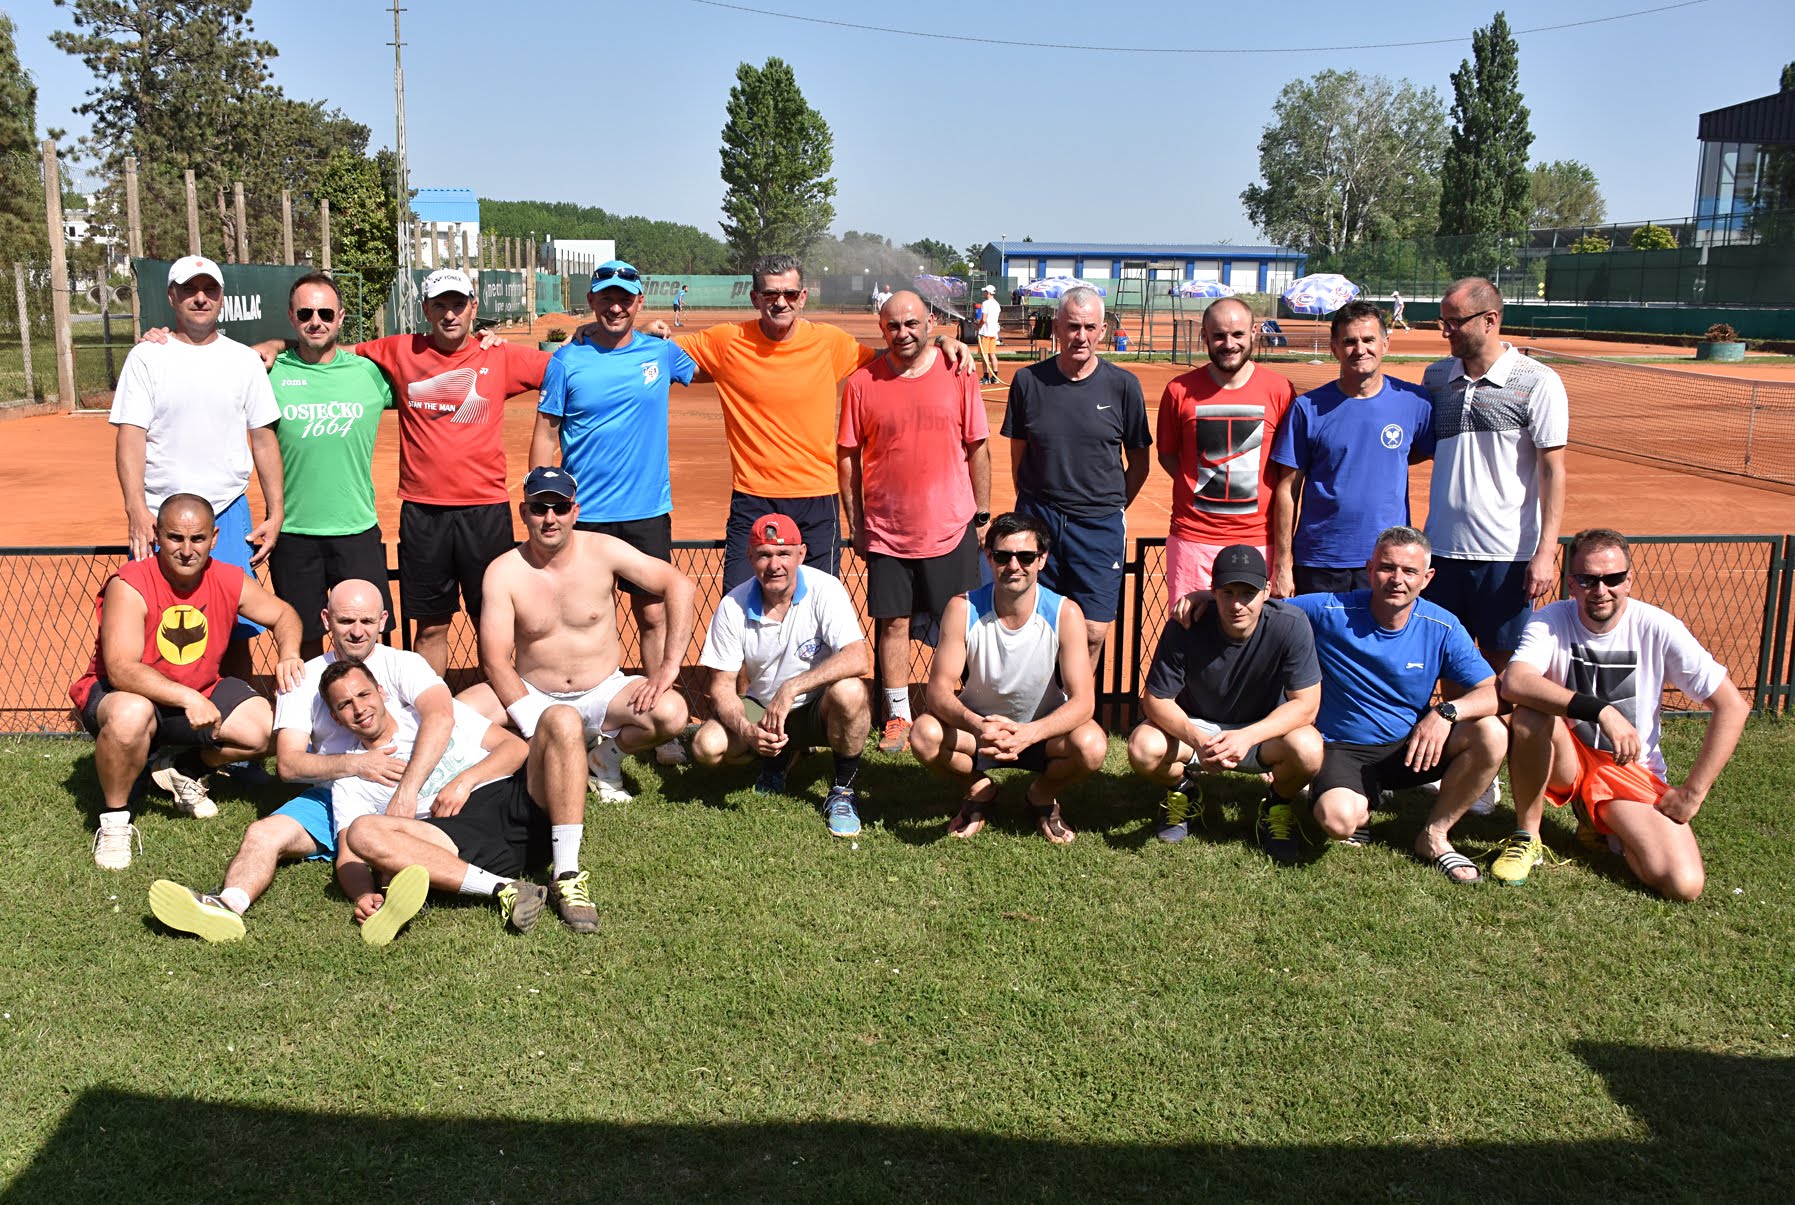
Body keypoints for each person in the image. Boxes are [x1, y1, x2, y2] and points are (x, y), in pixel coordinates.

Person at [148, 578, 456, 941]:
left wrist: (407, 791)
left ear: (383, 621)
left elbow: (441, 716)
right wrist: (359, 764)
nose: (357, 632)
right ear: (326, 620)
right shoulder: (302, 678)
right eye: (346, 621)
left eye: (367, 621)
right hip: (334, 793)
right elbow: (289, 765)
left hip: (407, 782)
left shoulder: (406, 664)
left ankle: (392, 897)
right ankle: (226, 907)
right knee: (263, 833)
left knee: (403, 843)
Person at [647, 255, 970, 590]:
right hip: (753, 497)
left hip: (817, 499)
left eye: (789, 293)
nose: (781, 302)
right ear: (755, 298)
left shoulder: (829, 342)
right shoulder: (727, 341)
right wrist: (645, 333)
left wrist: (939, 343)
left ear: (802, 297)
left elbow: (890, 358)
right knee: (739, 604)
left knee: (818, 605)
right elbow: (655, 355)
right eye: (770, 294)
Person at [1497, 528, 1748, 897]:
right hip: (1567, 757)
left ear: (1629, 580)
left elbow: (1733, 707)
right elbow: (1515, 682)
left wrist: (1692, 794)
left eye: (1612, 579)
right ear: (1571, 583)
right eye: (1587, 579)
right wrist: (1601, 711)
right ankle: (1527, 836)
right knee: (1531, 714)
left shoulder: (1658, 627)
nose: (1600, 590)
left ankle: (1602, 823)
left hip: (1625, 769)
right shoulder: (1551, 619)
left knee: (1683, 884)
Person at [70, 494, 303, 869]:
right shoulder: (130, 584)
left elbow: (284, 615)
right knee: (132, 713)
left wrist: (289, 653)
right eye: (175, 537)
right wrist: (188, 698)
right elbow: (121, 669)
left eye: (197, 539)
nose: (186, 550)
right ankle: (115, 820)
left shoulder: (228, 579)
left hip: (198, 689)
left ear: (214, 538)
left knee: (271, 730)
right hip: (123, 694)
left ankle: (184, 767)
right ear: (157, 535)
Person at [1272, 525, 1507, 882]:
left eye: (1410, 571)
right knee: (1338, 821)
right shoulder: (1330, 609)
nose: (1397, 579)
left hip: (1413, 747)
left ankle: (1434, 835)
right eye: (1387, 567)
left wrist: (1446, 712)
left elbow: (1496, 692)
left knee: (1491, 732)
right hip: (1342, 749)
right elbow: (1260, 609)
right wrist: (1205, 599)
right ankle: (1359, 803)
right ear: (1370, 570)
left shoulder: (1441, 625)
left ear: (1427, 578)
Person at [531, 261, 697, 765]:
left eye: (625, 298)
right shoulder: (567, 361)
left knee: (652, 615)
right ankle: (579, 721)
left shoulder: (662, 352)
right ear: (592, 301)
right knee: (580, 617)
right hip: (584, 514)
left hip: (645, 511)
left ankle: (658, 721)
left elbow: (713, 366)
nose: (616, 306)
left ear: (639, 301)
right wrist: (541, 500)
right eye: (606, 297)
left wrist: (664, 333)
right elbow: (546, 431)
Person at [464, 466, 697, 804]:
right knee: (456, 717)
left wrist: (669, 667)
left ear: (575, 511)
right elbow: (495, 661)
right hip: (534, 692)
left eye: (560, 508)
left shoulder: (604, 550)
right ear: (524, 512)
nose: (550, 518)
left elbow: (679, 585)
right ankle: (517, 758)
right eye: (539, 508)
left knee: (672, 713)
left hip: (604, 692)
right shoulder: (503, 571)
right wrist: (532, 724)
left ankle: (605, 759)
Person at [327, 659, 598, 944]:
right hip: (453, 841)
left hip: (514, 802)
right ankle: (504, 888)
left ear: (381, 692)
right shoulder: (351, 778)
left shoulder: (435, 714)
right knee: (361, 831)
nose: (359, 708)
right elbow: (349, 855)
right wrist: (363, 895)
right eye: (345, 704)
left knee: (561, 716)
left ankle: (566, 874)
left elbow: (515, 748)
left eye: (364, 694)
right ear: (335, 717)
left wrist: (465, 781)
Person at [838, 290, 990, 756]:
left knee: (961, 625)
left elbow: (977, 446)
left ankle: (967, 710)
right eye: (893, 325)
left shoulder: (958, 370)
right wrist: (857, 524)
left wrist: (982, 514)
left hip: (951, 525)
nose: (902, 333)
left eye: (911, 323)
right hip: (888, 530)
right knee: (893, 625)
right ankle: (899, 717)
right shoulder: (861, 383)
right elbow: (848, 458)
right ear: (881, 329)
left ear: (931, 323)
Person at [112, 255, 283, 662]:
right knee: (154, 627)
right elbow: (131, 437)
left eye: (210, 290)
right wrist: (136, 510)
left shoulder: (244, 360)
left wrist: (276, 511)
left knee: (235, 629)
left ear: (221, 297)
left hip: (227, 512)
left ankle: (237, 701)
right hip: (160, 515)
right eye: (189, 289)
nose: (201, 298)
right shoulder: (146, 357)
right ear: (172, 297)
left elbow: (263, 440)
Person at [909, 512, 1108, 845]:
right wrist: (977, 725)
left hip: (1042, 734)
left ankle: (1042, 795)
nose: (1014, 566)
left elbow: (1084, 702)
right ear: (989, 558)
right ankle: (978, 789)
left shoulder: (1065, 613)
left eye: (1026, 557)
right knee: (923, 735)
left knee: (1092, 746)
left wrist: (1030, 734)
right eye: (1002, 556)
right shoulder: (963, 609)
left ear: (1042, 559)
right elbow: (939, 691)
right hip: (980, 733)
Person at [1128, 546, 1323, 856]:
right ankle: (1183, 790)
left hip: (1260, 732)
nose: (1237, 604)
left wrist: (1246, 737)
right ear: (1212, 590)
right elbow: (1156, 700)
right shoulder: (1186, 623)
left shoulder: (1290, 623)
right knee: (1142, 747)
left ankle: (1277, 804)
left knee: (1309, 749)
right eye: (1227, 592)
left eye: (1248, 593)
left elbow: (1307, 705)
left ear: (1267, 591)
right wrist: (1199, 741)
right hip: (1198, 729)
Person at [691, 513, 873, 836]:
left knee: (851, 691)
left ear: (801, 554)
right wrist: (747, 730)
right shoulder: (732, 605)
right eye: (764, 555)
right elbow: (721, 688)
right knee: (706, 745)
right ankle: (778, 756)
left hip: (817, 708)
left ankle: (842, 790)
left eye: (783, 554)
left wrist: (791, 688)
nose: (774, 565)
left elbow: (858, 657)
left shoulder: (825, 589)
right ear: (750, 557)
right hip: (763, 710)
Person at [1422, 277, 1568, 674]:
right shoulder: (1435, 378)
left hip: (1507, 557)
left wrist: (1545, 552)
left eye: (1455, 322)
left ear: (1489, 320)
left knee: (1505, 672)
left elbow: (1553, 471)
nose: (1446, 331)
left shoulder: (1538, 381)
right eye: (1443, 321)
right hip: (1442, 551)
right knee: (1450, 665)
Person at [1003, 286, 1153, 666]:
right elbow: (1019, 455)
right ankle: (1039, 702)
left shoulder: (1124, 386)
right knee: (1034, 624)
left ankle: (1076, 702)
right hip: (1039, 519)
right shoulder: (1027, 381)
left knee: (1092, 631)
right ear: (1056, 327)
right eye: (1072, 326)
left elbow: (1140, 463)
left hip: (1098, 525)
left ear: (1103, 330)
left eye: (1089, 327)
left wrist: (1108, 507)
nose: (1080, 336)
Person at [266, 272, 397, 658]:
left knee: (365, 638)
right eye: (305, 313)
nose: (315, 321)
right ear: (291, 317)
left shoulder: (368, 372)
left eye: (325, 313)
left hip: (356, 528)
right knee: (302, 639)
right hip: (292, 531)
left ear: (340, 317)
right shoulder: (269, 372)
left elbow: (430, 371)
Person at [1269, 300, 1434, 597]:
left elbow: (1420, 451)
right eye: (1349, 341)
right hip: (1320, 560)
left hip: (1388, 561)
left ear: (1385, 344)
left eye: (1369, 340)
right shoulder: (1307, 408)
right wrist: (1283, 564)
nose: (1360, 349)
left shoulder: (1415, 402)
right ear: (1334, 348)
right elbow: (1287, 489)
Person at [1155, 296, 1296, 604]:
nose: (1229, 344)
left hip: (1259, 541)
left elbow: (1288, 474)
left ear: (1254, 332)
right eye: (1219, 335)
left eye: (1238, 334)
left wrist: (1284, 561)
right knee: (1190, 628)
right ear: (1204, 336)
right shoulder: (1178, 391)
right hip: (1193, 540)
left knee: (1255, 631)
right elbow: (1168, 456)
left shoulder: (1281, 390)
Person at [976, 283, 1003, 385]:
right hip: (993, 333)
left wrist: (978, 326)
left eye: (985, 292)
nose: (984, 294)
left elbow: (984, 319)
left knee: (984, 355)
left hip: (985, 332)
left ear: (988, 293)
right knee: (992, 354)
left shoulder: (985, 303)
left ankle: (986, 377)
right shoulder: (997, 304)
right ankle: (995, 377)